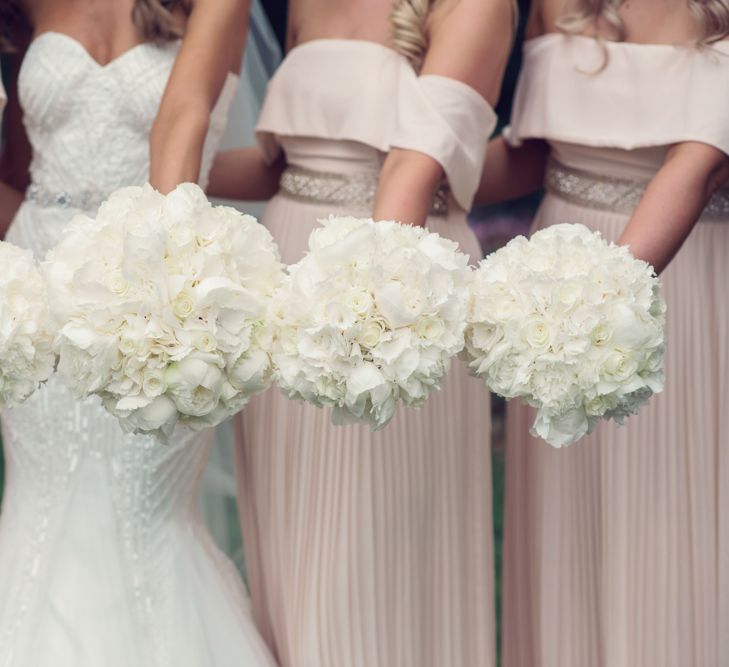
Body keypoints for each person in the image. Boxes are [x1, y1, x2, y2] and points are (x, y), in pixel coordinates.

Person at [208, 0, 513, 665]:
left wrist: (359, 310)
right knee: (293, 535)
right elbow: (279, 164)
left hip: (394, 285)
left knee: (368, 539)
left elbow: (412, 168)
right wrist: (151, 187)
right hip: (286, 276)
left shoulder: (473, 8)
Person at [0, 2, 275, 665]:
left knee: (140, 506)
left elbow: (180, 126)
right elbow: (14, 167)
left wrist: (153, 291)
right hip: (37, 298)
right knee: (40, 494)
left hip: (154, 279)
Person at [474, 0, 729, 663]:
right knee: (569, 527)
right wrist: (401, 179)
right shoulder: (557, 5)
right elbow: (532, 156)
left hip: (682, 283)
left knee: (667, 520)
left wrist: (592, 309)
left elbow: (697, 165)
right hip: (554, 289)